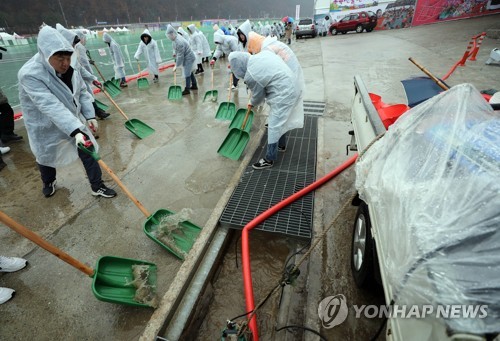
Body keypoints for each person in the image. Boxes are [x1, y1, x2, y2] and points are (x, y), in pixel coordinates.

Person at [18, 25, 117, 198]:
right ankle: (48, 181)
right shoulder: (29, 74)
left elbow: (82, 92)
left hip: (72, 117)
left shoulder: (72, 66)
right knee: (46, 153)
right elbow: (49, 105)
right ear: (46, 54)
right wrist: (76, 129)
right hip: (45, 123)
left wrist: (89, 115)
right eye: (60, 59)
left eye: (68, 57)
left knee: (87, 148)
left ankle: (97, 185)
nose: (65, 63)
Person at [228, 51, 303, 169]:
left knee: (274, 124)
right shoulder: (259, 57)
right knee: (280, 121)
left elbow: (258, 96)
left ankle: (270, 158)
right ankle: (281, 145)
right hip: (292, 85)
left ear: (238, 66)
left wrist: (251, 103)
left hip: (284, 93)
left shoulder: (251, 74)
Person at [56, 24, 110, 120]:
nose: (73, 46)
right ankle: (96, 113)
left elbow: (80, 68)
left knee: (87, 98)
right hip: (67, 96)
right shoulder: (54, 62)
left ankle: (95, 114)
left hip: (79, 86)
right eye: (72, 44)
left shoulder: (71, 55)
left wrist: (93, 79)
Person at [74, 30, 110, 119]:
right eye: (84, 38)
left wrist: (89, 62)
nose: (85, 40)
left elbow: (81, 61)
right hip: (81, 77)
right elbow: (83, 63)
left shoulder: (76, 47)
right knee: (87, 95)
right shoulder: (80, 47)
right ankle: (96, 112)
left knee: (87, 95)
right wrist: (91, 76)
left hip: (81, 76)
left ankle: (97, 112)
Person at [166, 24, 198, 96]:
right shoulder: (175, 40)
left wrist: (176, 65)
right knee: (189, 72)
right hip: (187, 57)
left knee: (187, 73)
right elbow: (177, 51)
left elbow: (180, 55)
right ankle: (194, 85)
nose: (169, 37)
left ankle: (187, 89)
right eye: (168, 35)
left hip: (188, 58)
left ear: (173, 34)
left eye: (170, 35)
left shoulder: (179, 41)